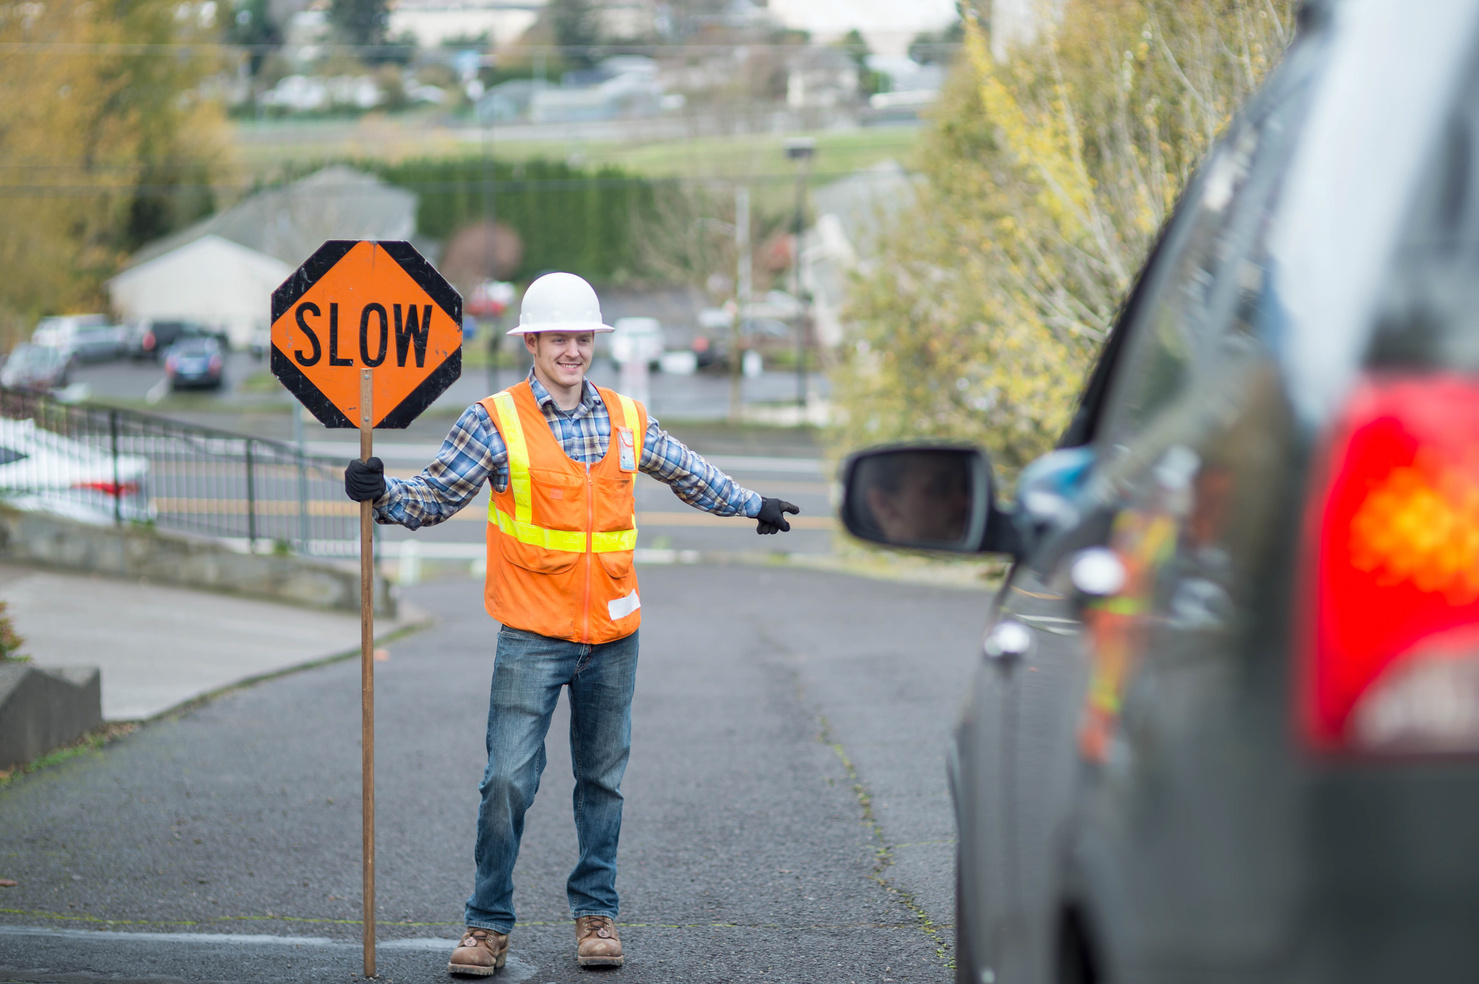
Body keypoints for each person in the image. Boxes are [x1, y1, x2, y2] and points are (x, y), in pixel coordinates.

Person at [342, 272, 800, 976]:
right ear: (531, 342)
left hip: (613, 638)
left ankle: (596, 915)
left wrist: (752, 504)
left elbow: (687, 472)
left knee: (603, 783)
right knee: (506, 783)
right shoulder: (493, 420)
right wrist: (382, 495)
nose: (572, 350)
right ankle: (486, 926)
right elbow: (433, 497)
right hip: (531, 634)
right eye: (559, 337)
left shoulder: (625, 416)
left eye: (582, 337)